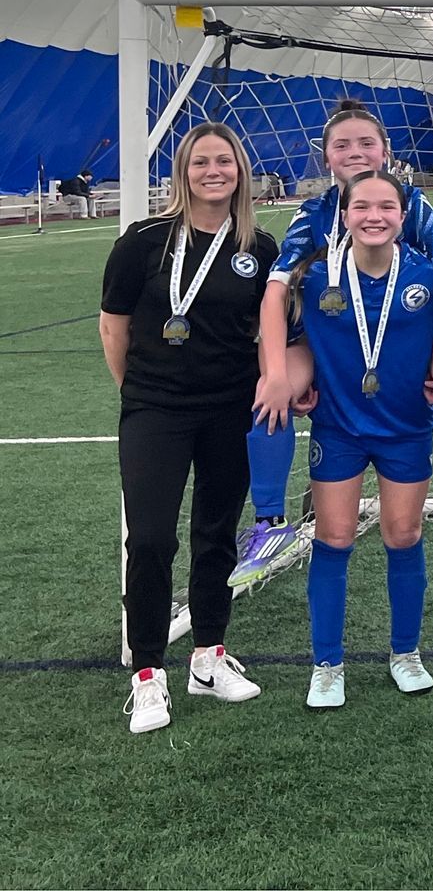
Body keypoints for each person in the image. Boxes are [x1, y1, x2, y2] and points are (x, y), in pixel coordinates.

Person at [235, 98, 433, 587]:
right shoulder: (315, 212)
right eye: (342, 145)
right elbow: (277, 288)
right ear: (326, 158)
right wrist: (276, 370)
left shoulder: (409, 203)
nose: (355, 152)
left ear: (386, 152)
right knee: (271, 392)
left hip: (401, 337)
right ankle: (269, 522)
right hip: (325, 339)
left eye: (367, 143)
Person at [101, 123, 275, 733]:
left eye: (223, 161)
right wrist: (142, 393)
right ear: (183, 172)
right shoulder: (142, 241)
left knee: (216, 534)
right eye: (200, 162)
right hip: (154, 410)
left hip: (231, 409)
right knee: (149, 539)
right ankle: (148, 672)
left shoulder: (260, 245)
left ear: (239, 171)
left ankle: (209, 657)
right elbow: (113, 327)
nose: (212, 171)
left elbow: (268, 333)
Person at [287, 169, 433, 708]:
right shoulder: (315, 280)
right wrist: (295, 378)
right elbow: (288, 340)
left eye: (386, 207)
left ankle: (405, 653)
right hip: (339, 427)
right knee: (334, 538)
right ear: (345, 214)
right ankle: (327, 664)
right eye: (362, 207)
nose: (374, 216)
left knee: (403, 534)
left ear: (403, 217)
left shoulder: (430, 276)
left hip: (405, 428)